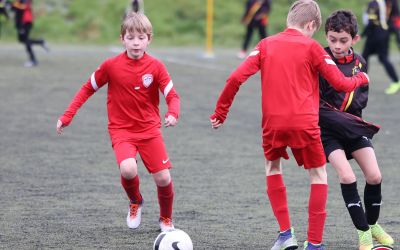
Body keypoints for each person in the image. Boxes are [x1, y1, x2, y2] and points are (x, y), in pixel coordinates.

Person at [209, 1, 370, 249]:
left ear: (289, 21)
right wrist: (361, 77)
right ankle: (314, 243)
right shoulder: (313, 47)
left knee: (273, 169)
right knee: (318, 175)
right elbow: (341, 83)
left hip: (273, 124)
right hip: (304, 123)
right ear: (311, 25)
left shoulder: (265, 44)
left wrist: (221, 111)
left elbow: (235, 77)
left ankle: (285, 235)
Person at [56, 12, 180, 232]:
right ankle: (135, 201)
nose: (135, 43)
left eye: (141, 38)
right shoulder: (110, 66)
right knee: (128, 168)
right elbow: (87, 89)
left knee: (163, 178)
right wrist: (67, 116)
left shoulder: (156, 66)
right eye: (130, 37)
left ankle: (165, 219)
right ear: (122, 39)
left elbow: (172, 94)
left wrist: (173, 112)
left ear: (149, 40)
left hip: (150, 130)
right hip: (121, 130)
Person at [320, 10, 394, 250]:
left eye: (343, 40)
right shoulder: (319, 60)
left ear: (354, 39)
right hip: (328, 131)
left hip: (352, 125)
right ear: (326, 36)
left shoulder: (360, 61)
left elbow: (360, 99)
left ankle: (372, 226)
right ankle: (363, 234)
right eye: (332, 39)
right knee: (347, 176)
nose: (337, 45)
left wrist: (351, 119)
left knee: (375, 176)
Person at [362, 0, 400, 95]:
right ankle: (395, 81)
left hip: (375, 36)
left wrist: (361, 35)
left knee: (365, 58)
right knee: (378, 58)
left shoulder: (374, 4)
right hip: (383, 34)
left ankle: (362, 83)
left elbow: (371, 22)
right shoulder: (382, 2)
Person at [11, 0, 48, 67]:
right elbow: (13, 8)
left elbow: (23, 7)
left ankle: (33, 60)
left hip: (25, 22)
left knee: (26, 40)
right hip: (21, 23)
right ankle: (40, 42)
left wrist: (13, 5)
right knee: (21, 40)